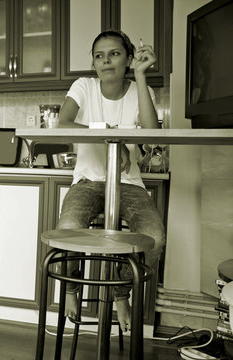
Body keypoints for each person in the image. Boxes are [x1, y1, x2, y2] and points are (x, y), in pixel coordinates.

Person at [55, 30, 165, 332]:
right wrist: (110, 141)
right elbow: (63, 124)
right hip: (88, 181)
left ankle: (120, 294)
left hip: (129, 183)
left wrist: (141, 76)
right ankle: (71, 290)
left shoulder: (140, 90)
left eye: (115, 54)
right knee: (67, 230)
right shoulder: (84, 86)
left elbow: (152, 132)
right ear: (93, 63)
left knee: (154, 238)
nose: (106, 61)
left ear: (129, 59)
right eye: (99, 55)